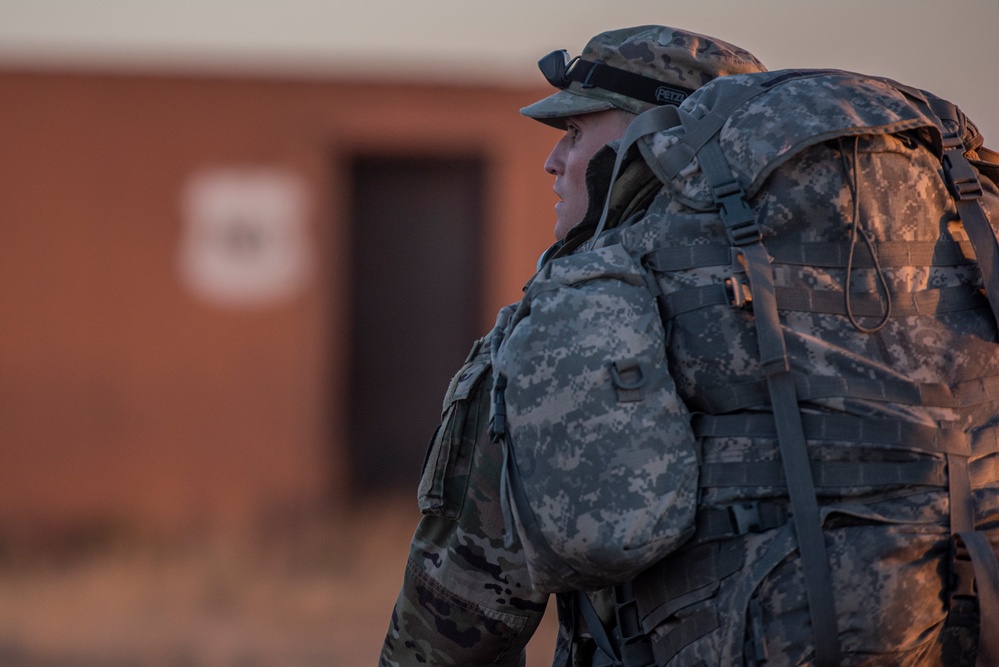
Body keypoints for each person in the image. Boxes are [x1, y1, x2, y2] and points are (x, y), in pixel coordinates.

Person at [378, 25, 767, 667]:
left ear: (652, 145)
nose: (553, 162)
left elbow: (458, 616)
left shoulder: (583, 312)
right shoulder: (867, 293)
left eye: (576, 133)